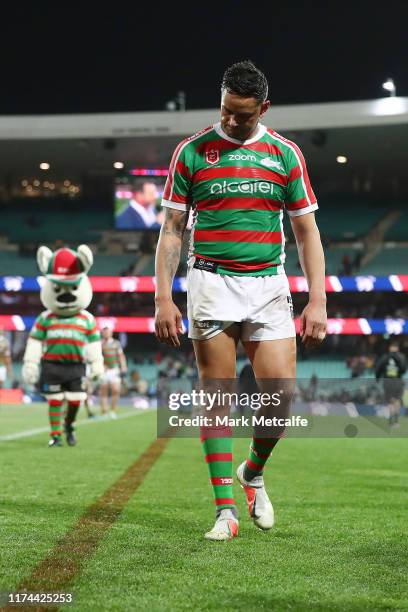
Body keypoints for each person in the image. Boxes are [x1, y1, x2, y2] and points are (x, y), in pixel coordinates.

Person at [154, 60, 327, 541]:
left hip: (268, 284)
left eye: (242, 115)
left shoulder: (284, 154)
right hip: (210, 282)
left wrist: (318, 300)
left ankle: (252, 472)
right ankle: (225, 512)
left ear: (263, 108)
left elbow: (307, 232)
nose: (231, 121)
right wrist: (162, 298)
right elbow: (170, 231)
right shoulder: (191, 152)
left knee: (280, 398)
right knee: (218, 396)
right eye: (226, 111)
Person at [375, 341, 406, 428]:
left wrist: (377, 378)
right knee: (397, 401)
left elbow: (378, 368)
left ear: (390, 348)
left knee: (390, 401)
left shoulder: (385, 357)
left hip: (388, 381)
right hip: (398, 381)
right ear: (397, 348)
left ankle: (391, 421)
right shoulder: (401, 357)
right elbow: (403, 369)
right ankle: (396, 421)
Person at [99, 327, 127, 419]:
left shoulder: (116, 343)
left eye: (108, 332)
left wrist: (123, 366)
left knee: (116, 390)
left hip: (114, 369)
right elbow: (97, 356)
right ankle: (104, 412)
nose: (106, 334)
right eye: (105, 333)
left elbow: (121, 356)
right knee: (104, 391)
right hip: (104, 370)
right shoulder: (100, 344)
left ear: (111, 333)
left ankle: (113, 411)